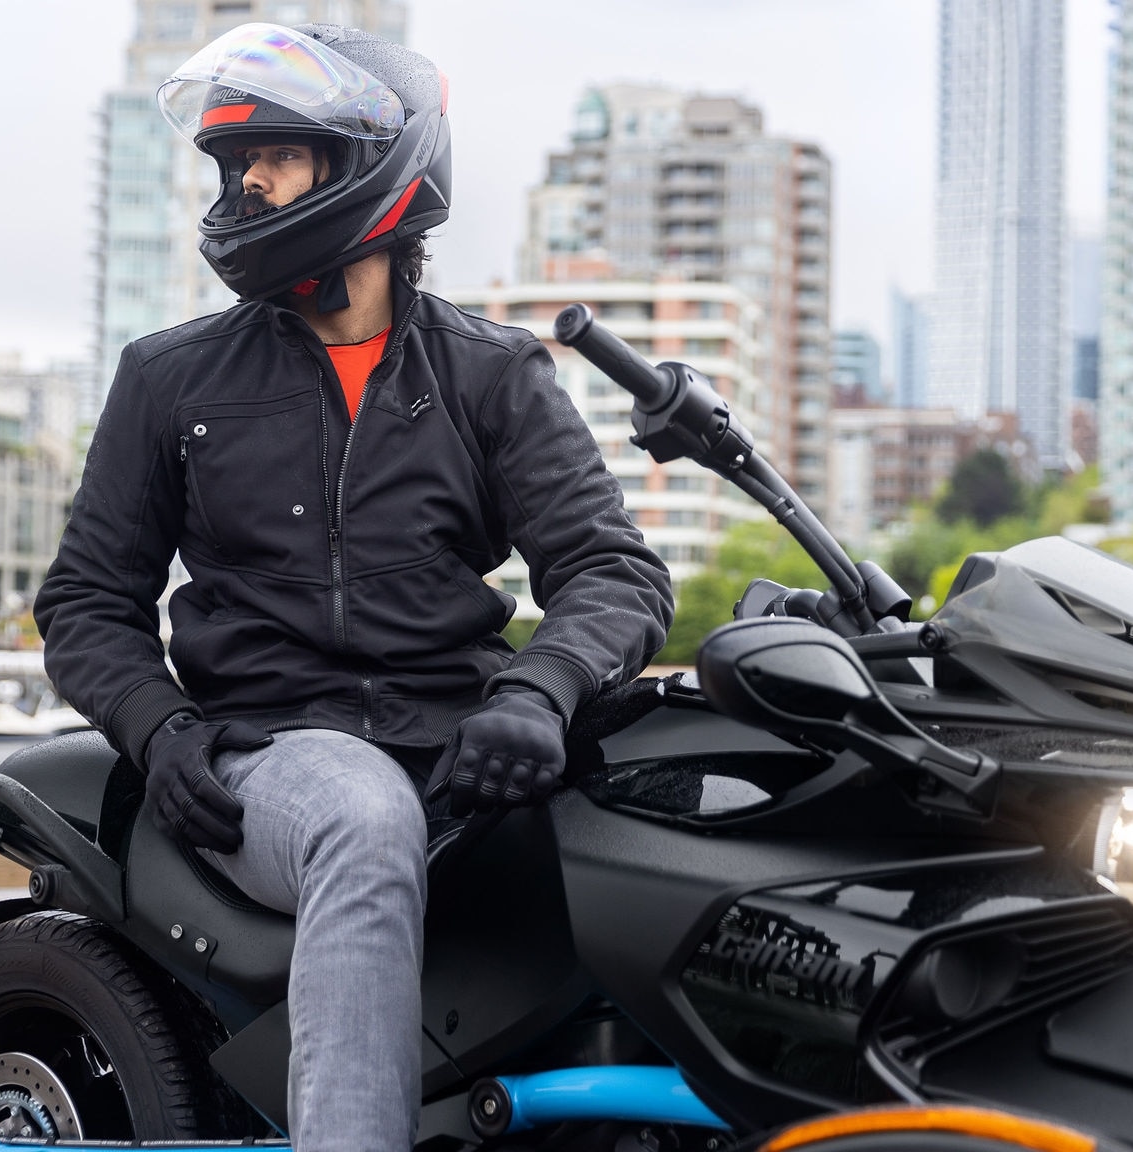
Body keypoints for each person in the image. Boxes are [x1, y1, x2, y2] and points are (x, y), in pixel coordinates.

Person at [33, 22, 672, 1152]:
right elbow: (87, 603)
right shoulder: (168, 377)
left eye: (275, 155)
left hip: (464, 751)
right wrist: (163, 730)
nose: (246, 182)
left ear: (371, 167)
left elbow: (611, 567)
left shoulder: (492, 375)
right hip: (270, 758)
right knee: (361, 814)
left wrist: (541, 691)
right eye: (235, 163)